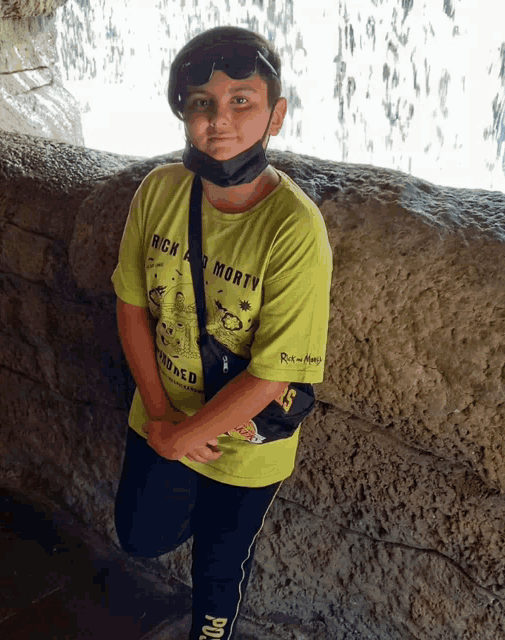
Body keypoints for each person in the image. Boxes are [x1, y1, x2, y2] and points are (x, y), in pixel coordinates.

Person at [111, 25, 332, 640]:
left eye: (243, 101)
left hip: (244, 440)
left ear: (276, 114)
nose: (220, 121)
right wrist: (164, 426)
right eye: (202, 102)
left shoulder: (294, 228)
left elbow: (276, 370)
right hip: (160, 416)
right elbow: (131, 305)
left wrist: (189, 437)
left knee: (218, 566)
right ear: (182, 111)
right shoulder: (159, 190)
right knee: (140, 535)